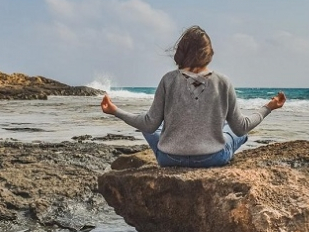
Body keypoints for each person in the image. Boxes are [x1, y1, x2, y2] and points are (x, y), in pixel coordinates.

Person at [100, 25, 286, 167]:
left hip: (169, 159)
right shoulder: (222, 82)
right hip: (212, 158)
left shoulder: (168, 80)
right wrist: (268, 107)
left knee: (150, 124)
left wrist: (115, 111)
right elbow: (242, 126)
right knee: (232, 129)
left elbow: (149, 124)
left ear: (181, 52)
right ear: (209, 53)